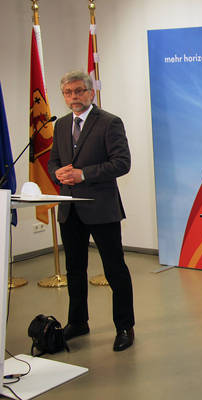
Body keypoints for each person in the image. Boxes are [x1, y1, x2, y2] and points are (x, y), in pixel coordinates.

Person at [48, 70, 135, 352]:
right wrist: (58, 172)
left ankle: (124, 326)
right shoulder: (61, 125)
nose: (73, 97)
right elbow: (53, 161)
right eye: (68, 93)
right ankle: (78, 322)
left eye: (78, 91)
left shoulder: (109, 122)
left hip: (101, 208)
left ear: (90, 92)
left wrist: (83, 174)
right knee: (75, 269)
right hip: (70, 209)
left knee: (115, 269)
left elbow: (122, 163)